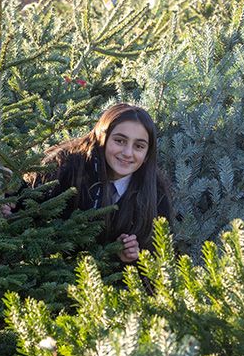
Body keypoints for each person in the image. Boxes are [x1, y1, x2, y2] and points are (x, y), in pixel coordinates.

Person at [25, 103, 172, 262]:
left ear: (147, 154)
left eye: (139, 146)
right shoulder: (65, 167)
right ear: (103, 138)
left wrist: (134, 256)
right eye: (120, 141)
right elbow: (26, 207)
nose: (128, 153)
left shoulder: (155, 192)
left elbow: (160, 260)